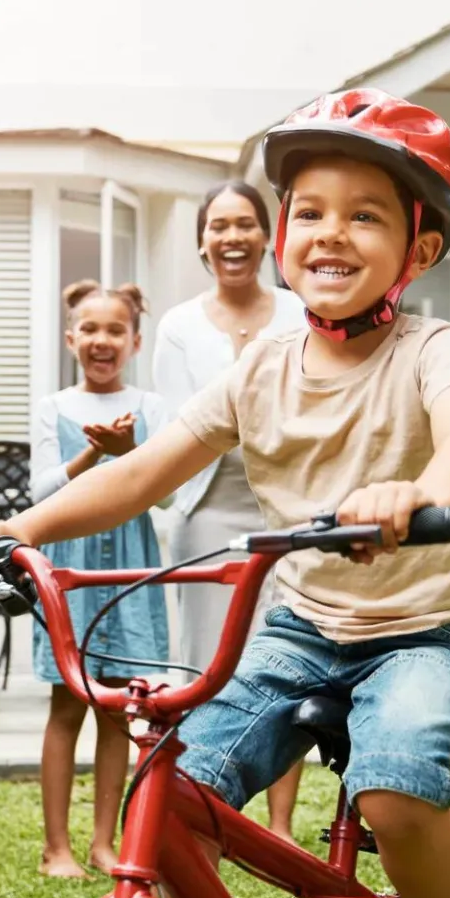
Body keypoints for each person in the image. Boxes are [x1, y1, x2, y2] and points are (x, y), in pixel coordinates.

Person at [0, 89, 450, 898]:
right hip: (300, 631)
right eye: (308, 212)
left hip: (421, 631)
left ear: (418, 252)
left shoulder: (436, 348)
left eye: (365, 215)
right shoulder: (261, 363)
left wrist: (422, 495)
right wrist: (24, 525)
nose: (328, 233)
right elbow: (142, 472)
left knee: (392, 782)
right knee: (176, 791)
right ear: (279, 236)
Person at [151, 180, 309, 841]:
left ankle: (277, 823)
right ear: (202, 242)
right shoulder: (179, 326)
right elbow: (175, 427)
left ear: (267, 237)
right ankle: (204, 808)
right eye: (219, 226)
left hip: (290, 512)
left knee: (289, 657)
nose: (232, 238)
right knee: (206, 666)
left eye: (245, 224)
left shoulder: (301, 313)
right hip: (208, 510)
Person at [27, 280, 172, 878]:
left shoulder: (152, 407)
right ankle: (55, 846)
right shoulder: (53, 408)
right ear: (70, 339)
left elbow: (165, 494)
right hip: (73, 572)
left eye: (115, 330)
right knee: (68, 705)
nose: (101, 340)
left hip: (129, 573)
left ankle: (103, 843)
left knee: (120, 711)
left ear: (134, 341)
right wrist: (93, 455)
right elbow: (36, 494)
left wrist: (132, 448)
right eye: (89, 329)